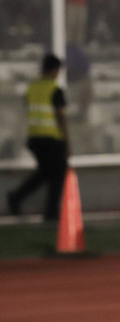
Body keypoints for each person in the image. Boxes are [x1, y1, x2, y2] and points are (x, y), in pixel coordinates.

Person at [7, 53, 70, 221]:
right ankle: (50, 213)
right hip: (52, 138)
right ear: (54, 70)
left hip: (34, 138)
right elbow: (60, 117)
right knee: (57, 173)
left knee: (46, 172)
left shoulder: (32, 88)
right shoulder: (55, 90)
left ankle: (16, 197)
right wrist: (66, 140)